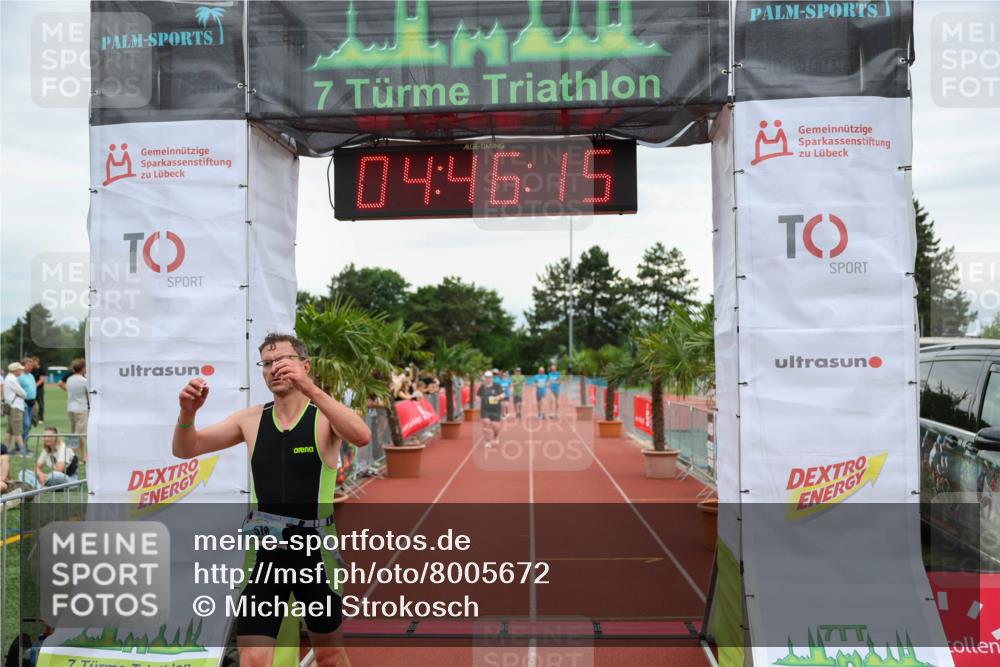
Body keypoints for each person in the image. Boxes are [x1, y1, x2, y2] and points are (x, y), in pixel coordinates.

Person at [172, 333, 370, 667]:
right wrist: (187, 413)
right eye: (267, 362)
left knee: (330, 656)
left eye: (284, 360)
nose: (275, 367)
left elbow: (362, 436)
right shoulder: (250, 420)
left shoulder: (323, 416)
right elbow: (185, 448)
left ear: (305, 365)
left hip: (315, 553)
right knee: (253, 659)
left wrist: (310, 389)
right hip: (265, 555)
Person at [59, 358, 89, 462]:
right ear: (83, 368)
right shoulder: (84, 381)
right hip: (81, 409)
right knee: (79, 434)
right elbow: (89, 396)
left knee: (74, 434)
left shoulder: (70, 379)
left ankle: (84, 456)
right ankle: (69, 458)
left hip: (71, 408)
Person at [3, 362, 27, 456]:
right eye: (20, 369)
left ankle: (5, 450)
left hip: (11, 406)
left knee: (10, 430)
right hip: (16, 407)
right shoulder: (12, 380)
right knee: (18, 431)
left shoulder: (9, 378)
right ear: (16, 370)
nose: (21, 371)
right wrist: (21, 394)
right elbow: (23, 393)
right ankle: (23, 451)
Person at [477, 371, 505, 447]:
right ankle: (487, 441)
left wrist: (497, 397)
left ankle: (496, 436)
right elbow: (478, 396)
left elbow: (503, 394)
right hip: (485, 409)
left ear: (492, 378)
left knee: (496, 427)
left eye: (489, 377)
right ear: (485, 378)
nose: (488, 379)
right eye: (486, 377)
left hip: (495, 409)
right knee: (486, 425)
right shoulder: (482, 387)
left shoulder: (497, 386)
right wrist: (478, 399)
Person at [19, 357, 37, 449]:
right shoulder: (19, 377)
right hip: (24, 404)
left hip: (32, 403)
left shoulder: (31, 376)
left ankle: (22, 444)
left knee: (28, 425)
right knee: (25, 424)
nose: (31, 367)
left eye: (31, 365)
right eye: (28, 365)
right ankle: (22, 446)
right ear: (23, 366)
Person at [32, 356, 46, 423]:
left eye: (34, 362)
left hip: (39, 389)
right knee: (31, 404)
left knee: (41, 404)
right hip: (31, 390)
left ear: (37, 362)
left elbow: (41, 380)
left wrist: (34, 386)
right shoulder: (31, 370)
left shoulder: (41, 370)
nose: (32, 363)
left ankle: (40, 418)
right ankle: (33, 418)